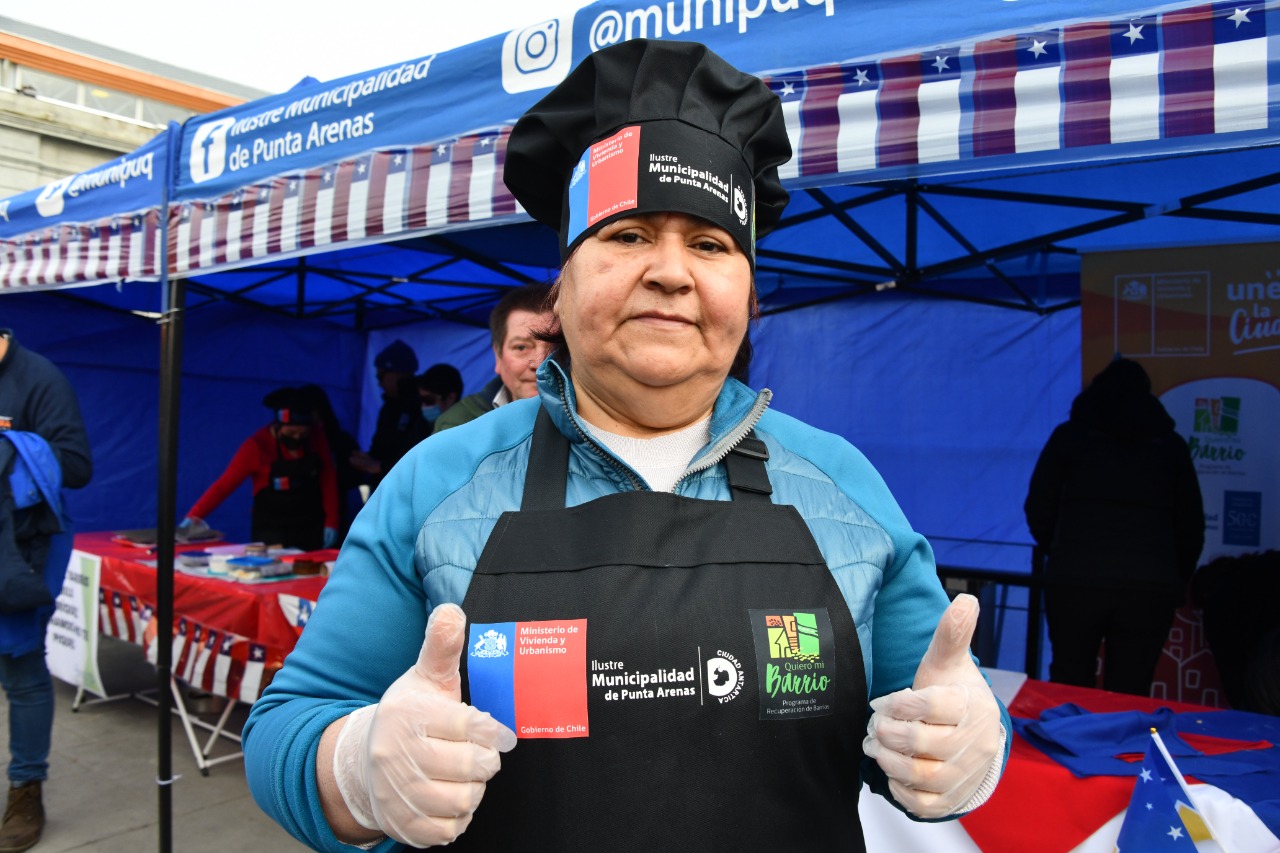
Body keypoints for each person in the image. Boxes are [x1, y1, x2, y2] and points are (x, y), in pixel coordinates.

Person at [244, 40, 1008, 852]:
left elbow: (931, 712)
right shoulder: (441, 477)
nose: (672, 272)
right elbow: (285, 728)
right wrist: (360, 767)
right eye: (630, 235)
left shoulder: (840, 483)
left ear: (749, 294)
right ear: (561, 291)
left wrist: (959, 750)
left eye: (711, 245)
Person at [1025, 356, 1205, 697]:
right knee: (1131, 689)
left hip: (1076, 578)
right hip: (1149, 586)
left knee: (1069, 681)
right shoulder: (1170, 447)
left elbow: (1038, 507)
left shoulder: (1069, 438)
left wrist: (1061, 551)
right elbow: (1190, 524)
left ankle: (1065, 747)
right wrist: (1175, 576)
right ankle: (1124, 751)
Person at [0, 328, 92, 853]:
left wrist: (10, 450)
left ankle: (25, 789)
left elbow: (77, 466)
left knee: (21, 672)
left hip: (20, 554)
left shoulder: (39, 378)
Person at [181, 387, 339, 551]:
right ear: (278, 424)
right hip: (271, 531)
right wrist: (194, 516)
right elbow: (224, 486)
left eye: (302, 434)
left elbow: (328, 479)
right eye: (291, 433)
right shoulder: (256, 446)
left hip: (309, 525)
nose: (297, 438)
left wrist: (331, 522)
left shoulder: (317, 439)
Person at [430, 284, 553, 433]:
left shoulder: (588, 421)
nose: (540, 364)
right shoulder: (457, 426)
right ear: (498, 356)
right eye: (521, 347)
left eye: (556, 348)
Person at [349, 340, 427, 484]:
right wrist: (367, 459)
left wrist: (381, 466)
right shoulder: (389, 406)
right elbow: (381, 446)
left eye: (381, 376)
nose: (379, 384)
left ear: (398, 374)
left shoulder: (422, 405)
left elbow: (419, 455)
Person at [297, 385, 362, 546]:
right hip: (299, 516)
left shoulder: (338, 439)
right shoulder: (296, 441)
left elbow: (349, 479)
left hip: (334, 514)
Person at [415, 364, 463, 434]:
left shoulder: (461, 430)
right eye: (420, 399)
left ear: (450, 398)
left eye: (428, 400)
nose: (423, 406)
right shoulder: (421, 427)